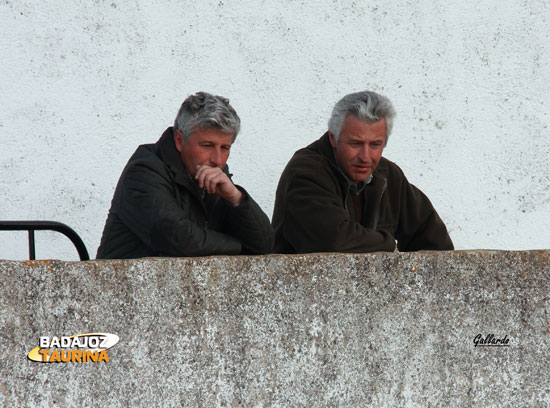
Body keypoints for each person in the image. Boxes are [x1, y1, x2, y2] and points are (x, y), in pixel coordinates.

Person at [272, 90, 453, 253]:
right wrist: (388, 244)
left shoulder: (389, 175)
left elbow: (435, 242)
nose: (365, 157)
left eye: (375, 144)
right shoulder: (306, 173)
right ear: (333, 138)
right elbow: (333, 240)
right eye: (356, 143)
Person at [97, 92, 273, 259]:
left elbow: (265, 246)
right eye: (207, 145)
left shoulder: (215, 177)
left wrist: (235, 197)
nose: (217, 160)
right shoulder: (144, 171)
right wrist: (240, 246)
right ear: (180, 141)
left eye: (225, 148)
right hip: (125, 287)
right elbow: (180, 240)